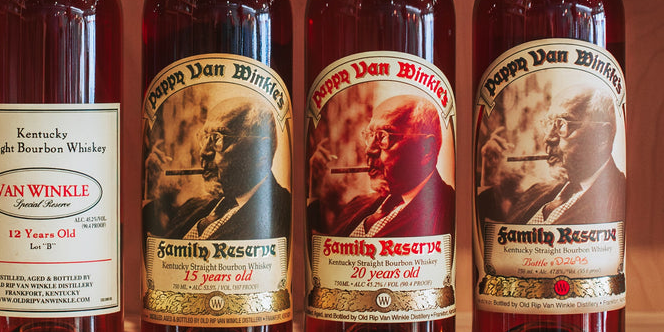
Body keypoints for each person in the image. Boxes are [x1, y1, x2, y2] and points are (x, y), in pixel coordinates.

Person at [481, 83, 624, 225]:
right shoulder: (538, 191)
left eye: (562, 125)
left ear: (602, 136)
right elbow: (488, 218)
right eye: (549, 123)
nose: (548, 138)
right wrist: (490, 175)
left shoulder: (617, 199)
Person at [162, 97, 292, 241]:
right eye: (204, 137)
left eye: (217, 139)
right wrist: (153, 184)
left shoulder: (283, 211)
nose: (204, 152)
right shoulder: (193, 207)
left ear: (261, 152)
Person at [323, 95, 453, 238]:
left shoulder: (449, 213)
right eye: (370, 135)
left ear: (426, 149)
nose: (369, 150)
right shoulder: (357, 205)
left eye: (384, 137)